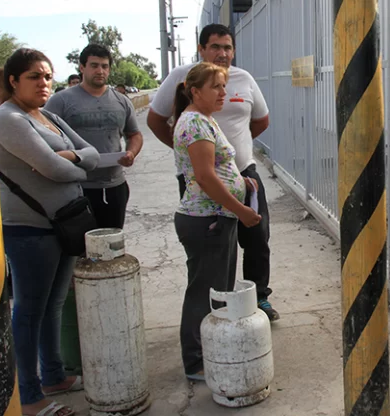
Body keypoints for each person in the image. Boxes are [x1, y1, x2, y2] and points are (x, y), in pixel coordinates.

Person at [0, 48, 100, 416]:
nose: (43, 83)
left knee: (53, 305)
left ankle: (54, 376)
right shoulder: (8, 119)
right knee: (29, 310)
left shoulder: (47, 115)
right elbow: (51, 168)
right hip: (30, 229)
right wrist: (74, 162)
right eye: (35, 77)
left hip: (64, 224)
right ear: (13, 81)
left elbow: (93, 152)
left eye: (48, 76)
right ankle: (30, 395)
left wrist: (70, 159)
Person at [147, 24, 279, 321]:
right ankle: (212, 310)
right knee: (214, 247)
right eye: (216, 46)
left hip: (244, 172)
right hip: (200, 181)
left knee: (256, 239)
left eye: (228, 47)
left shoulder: (243, 79)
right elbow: (155, 120)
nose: (223, 53)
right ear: (201, 49)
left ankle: (259, 297)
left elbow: (261, 121)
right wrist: (190, 154)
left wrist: (231, 157)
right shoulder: (182, 77)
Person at [172, 61, 261, 380]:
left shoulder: (204, 119)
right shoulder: (195, 122)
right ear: (195, 91)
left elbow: (219, 168)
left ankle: (212, 350)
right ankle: (195, 360)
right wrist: (241, 209)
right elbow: (206, 177)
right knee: (204, 292)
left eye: (225, 86)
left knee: (218, 290)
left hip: (216, 218)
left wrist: (241, 181)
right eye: (216, 87)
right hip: (205, 219)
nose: (224, 92)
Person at [45, 43, 143, 230]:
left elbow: (134, 134)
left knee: (112, 243)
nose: (100, 71)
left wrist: (131, 153)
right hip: (77, 188)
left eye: (105, 66)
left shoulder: (121, 101)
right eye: (94, 65)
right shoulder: (60, 101)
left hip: (115, 186)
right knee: (80, 248)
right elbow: (45, 137)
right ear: (82, 68)